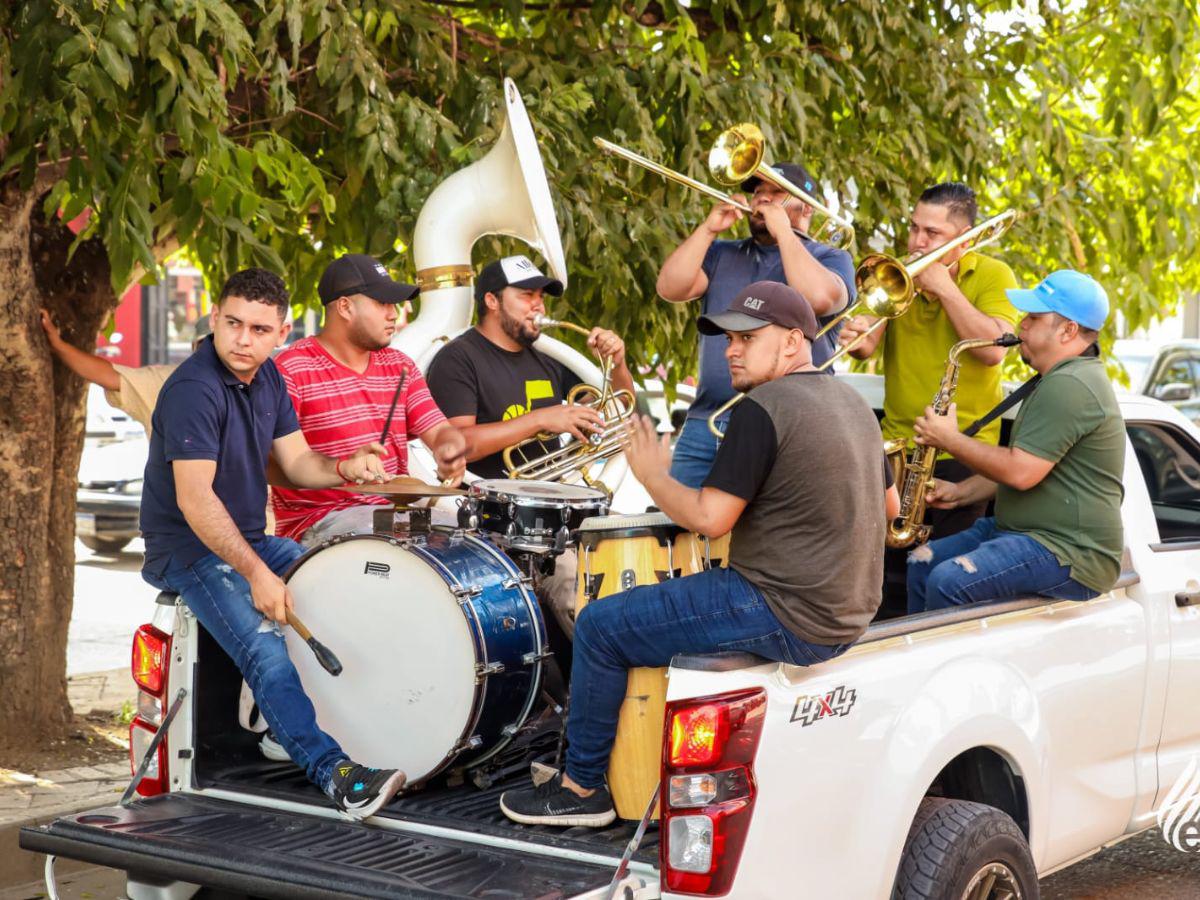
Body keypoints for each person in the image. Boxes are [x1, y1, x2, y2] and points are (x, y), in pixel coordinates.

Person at [499, 281, 888, 827]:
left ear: (795, 341)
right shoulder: (854, 403)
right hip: (849, 613)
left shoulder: (765, 407)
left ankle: (582, 790)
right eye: (728, 338)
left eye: (748, 338)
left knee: (600, 626)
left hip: (785, 609)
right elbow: (890, 506)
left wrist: (654, 476)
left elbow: (709, 518)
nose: (732, 349)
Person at [140, 267, 406, 818]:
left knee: (340, 576)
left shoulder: (268, 380)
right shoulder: (194, 389)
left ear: (281, 333)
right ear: (213, 318)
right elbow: (195, 501)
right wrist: (259, 573)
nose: (244, 339)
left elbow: (296, 463)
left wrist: (346, 467)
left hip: (246, 538)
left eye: (260, 329)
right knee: (266, 648)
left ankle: (287, 722)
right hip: (188, 552)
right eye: (233, 323)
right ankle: (337, 777)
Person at [425, 255, 633, 639]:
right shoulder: (458, 358)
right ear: (491, 300)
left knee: (636, 541)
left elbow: (621, 411)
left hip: (556, 513)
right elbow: (455, 446)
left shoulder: (549, 360)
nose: (538, 305)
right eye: (526, 295)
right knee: (582, 589)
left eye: (541, 296)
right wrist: (540, 420)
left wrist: (615, 364)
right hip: (492, 520)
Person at [837, 182, 1020, 610]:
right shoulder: (900, 275)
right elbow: (864, 348)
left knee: (943, 578)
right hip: (898, 450)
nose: (918, 242)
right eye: (914, 228)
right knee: (882, 578)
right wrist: (860, 331)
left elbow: (994, 350)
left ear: (966, 238)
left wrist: (945, 288)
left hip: (964, 451)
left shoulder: (993, 275)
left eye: (933, 234)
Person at [906, 270, 1125, 613]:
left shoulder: (1071, 385)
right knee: (920, 565)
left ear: (1068, 330)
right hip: (1024, 533)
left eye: (1034, 318)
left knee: (947, 581)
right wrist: (961, 493)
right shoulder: (1054, 379)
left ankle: (951, 667)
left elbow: (1021, 472)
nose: (1021, 324)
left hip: (1069, 551)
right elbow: (1028, 464)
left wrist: (947, 438)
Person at [655, 161, 856, 488]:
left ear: (806, 206)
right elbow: (670, 288)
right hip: (707, 423)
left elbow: (819, 297)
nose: (761, 199)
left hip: (786, 426)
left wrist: (784, 233)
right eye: (757, 192)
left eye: (775, 192)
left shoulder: (831, 258)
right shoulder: (722, 253)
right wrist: (708, 229)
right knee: (678, 531)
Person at [272, 254, 468, 545]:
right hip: (318, 521)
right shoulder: (291, 369)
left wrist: (449, 448)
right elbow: (271, 462)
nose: (393, 313)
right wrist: (342, 467)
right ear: (345, 307)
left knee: (471, 540)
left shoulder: (400, 365)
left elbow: (439, 430)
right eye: (382, 303)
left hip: (396, 515)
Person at [40, 309, 206, 435]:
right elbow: (109, 376)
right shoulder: (170, 382)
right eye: (207, 343)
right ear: (194, 348)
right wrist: (59, 346)